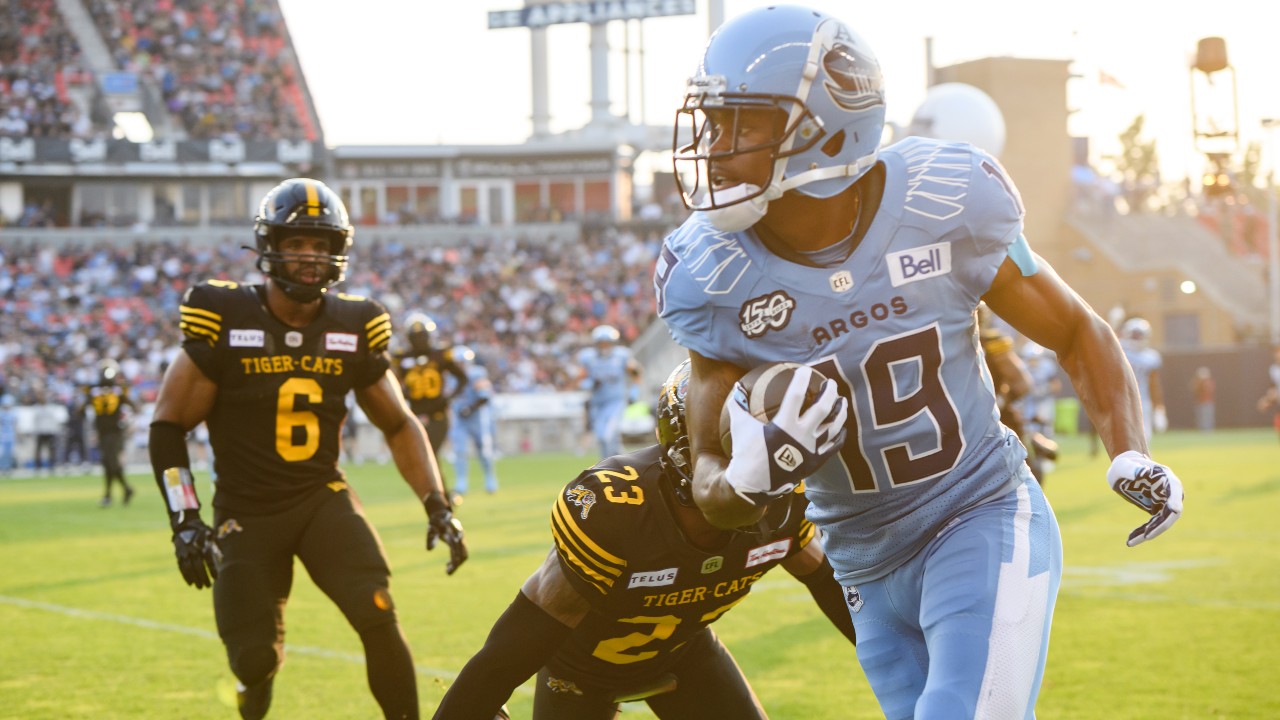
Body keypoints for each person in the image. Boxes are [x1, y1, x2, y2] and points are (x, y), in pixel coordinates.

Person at [653, 7, 1185, 718]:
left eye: (741, 123)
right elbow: (710, 479)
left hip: (978, 512)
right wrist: (747, 475)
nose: (714, 148)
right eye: (712, 123)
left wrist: (1128, 453)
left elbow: (1077, 331)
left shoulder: (945, 200)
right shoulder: (712, 274)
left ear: (825, 125)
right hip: (864, 565)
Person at [148, 178, 467, 720]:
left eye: (320, 245)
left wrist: (437, 504)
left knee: (378, 612)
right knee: (253, 659)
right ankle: (255, 696)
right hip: (246, 508)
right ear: (269, 246)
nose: (309, 258)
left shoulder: (354, 323)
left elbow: (398, 423)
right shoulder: (225, 316)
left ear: (338, 251)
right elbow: (168, 425)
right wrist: (185, 516)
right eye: (297, 244)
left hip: (321, 497)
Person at [431, 359, 857, 720]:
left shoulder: (786, 509)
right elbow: (503, 658)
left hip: (684, 651)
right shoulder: (618, 509)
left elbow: (825, 582)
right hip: (580, 670)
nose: (754, 467)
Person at [394, 312, 468, 472]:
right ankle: (439, 494)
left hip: (437, 413)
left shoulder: (440, 354)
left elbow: (462, 378)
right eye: (415, 336)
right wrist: (402, 396)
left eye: (422, 336)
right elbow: (393, 381)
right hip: (414, 414)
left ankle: (439, 494)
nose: (419, 340)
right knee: (420, 456)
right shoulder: (402, 357)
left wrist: (449, 398)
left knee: (429, 454)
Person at [575, 324, 641, 459]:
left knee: (608, 435)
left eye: (607, 343)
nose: (605, 347)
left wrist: (634, 391)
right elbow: (580, 380)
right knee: (601, 437)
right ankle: (615, 463)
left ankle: (613, 463)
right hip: (597, 404)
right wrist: (590, 383)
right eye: (602, 343)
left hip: (615, 402)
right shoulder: (588, 358)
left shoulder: (622, 356)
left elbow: (636, 373)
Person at [85, 358, 137, 507]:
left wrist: (127, 423)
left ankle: (109, 494)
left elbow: (132, 407)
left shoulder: (119, 390)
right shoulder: (94, 391)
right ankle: (124, 489)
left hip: (115, 431)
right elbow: (82, 410)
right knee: (107, 462)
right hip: (102, 431)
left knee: (111, 461)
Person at [448, 346, 499, 496]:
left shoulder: (476, 373)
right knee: (459, 451)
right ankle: (461, 482)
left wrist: (470, 408)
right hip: (459, 418)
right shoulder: (451, 376)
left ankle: (490, 478)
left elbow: (484, 396)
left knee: (483, 450)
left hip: (477, 417)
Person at [1119, 317, 1166, 440]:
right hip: (1121, 399)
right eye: (1135, 335)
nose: (1137, 338)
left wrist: (1159, 408)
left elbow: (1154, 384)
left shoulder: (1151, 357)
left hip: (1142, 401)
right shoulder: (1119, 351)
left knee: (1144, 438)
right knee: (1124, 438)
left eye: (1139, 335)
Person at [1190, 366, 1216, 433]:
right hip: (1200, 402)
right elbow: (1195, 390)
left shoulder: (1209, 382)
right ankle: (1202, 429)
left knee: (1208, 417)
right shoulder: (1198, 383)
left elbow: (1210, 390)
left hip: (1208, 402)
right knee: (1201, 417)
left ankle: (1208, 430)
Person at [0, 394, 16, 474]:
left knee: (9, 453)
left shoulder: (13, 413)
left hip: (10, 435)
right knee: (2, 453)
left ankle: (8, 468)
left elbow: (15, 425)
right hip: (2, 435)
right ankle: (2, 467)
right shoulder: (1, 414)